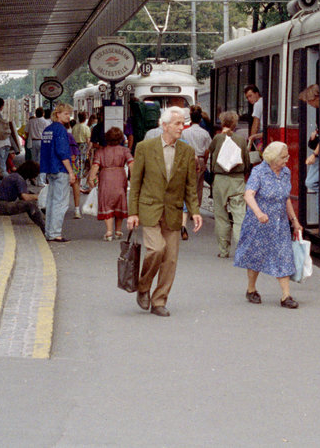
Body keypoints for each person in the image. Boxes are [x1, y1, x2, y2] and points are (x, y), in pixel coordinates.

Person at [126, 106, 203, 317]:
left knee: (170, 259)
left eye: (183, 123)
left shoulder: (187, 151)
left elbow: (190, 186)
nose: (182, 127)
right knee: (156, 250)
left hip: (173, 211)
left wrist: (195, 211)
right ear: (165, 125)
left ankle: (159, 300)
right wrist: (133, 213)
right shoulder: (144, 147)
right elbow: (136, 183)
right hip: (149, 210)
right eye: (178, 123)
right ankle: (143, 287)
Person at [234, 141, 302, 308]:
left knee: (283, 255)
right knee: (256, 256)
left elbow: (285, 198)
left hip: (279, 223)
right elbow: (248, 195)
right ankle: (251, 289)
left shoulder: (285, 172)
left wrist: (294, 221)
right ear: (273, 159)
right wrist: (259, 213)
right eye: (284, 157)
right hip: (259, 224)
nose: (288, 159)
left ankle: (286, 296)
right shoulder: (259, 172)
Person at [209, 111, 249, 258]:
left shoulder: (217, 139)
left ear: (221, 123)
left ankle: (224, 250)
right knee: (239, 216)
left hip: (220, 179)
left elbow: (211, 154)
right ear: (235, 123)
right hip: (237, 180)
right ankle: (242, 251)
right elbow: (246, 161)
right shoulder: (241, 140)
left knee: (221, 216)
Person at [39, 103, 77, 243]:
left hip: (49, 168)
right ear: (58, 114)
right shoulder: (61, 130)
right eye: (66, 113)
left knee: (51, 202)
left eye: (69, 113)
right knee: (60, 203)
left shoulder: (47, 130)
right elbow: (62, 152)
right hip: (60, 169)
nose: (69, 116)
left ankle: (49, 232)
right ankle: (55, 233)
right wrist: (71, 172)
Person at [89, 126, 132, 241]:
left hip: (105, 177)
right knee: (119, 202)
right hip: (120, 176)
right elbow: (132, 163)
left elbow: (95, 166)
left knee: (107, 202)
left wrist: (91, 178)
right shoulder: (125, 151)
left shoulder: (101, 151)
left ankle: (109, 232)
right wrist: (135, 178)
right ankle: (118, 231)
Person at [0, 169, 46, 234]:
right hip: (0, 206)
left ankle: (43, 220)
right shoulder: (19, 179)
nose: (34, 178)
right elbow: (25, 197)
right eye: (34, 176)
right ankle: (44, 227)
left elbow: (23, 195)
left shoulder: (15, 176)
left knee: (30, 203)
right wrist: (38, 196)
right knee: (30, 204)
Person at [244, 84, 265, 150]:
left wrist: (251, 139)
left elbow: (256, 123)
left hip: (260, 134)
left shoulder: (257, 104)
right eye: (247, 97)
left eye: (250, 96)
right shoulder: (263, 101)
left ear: (256, 93)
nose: (249, 99)